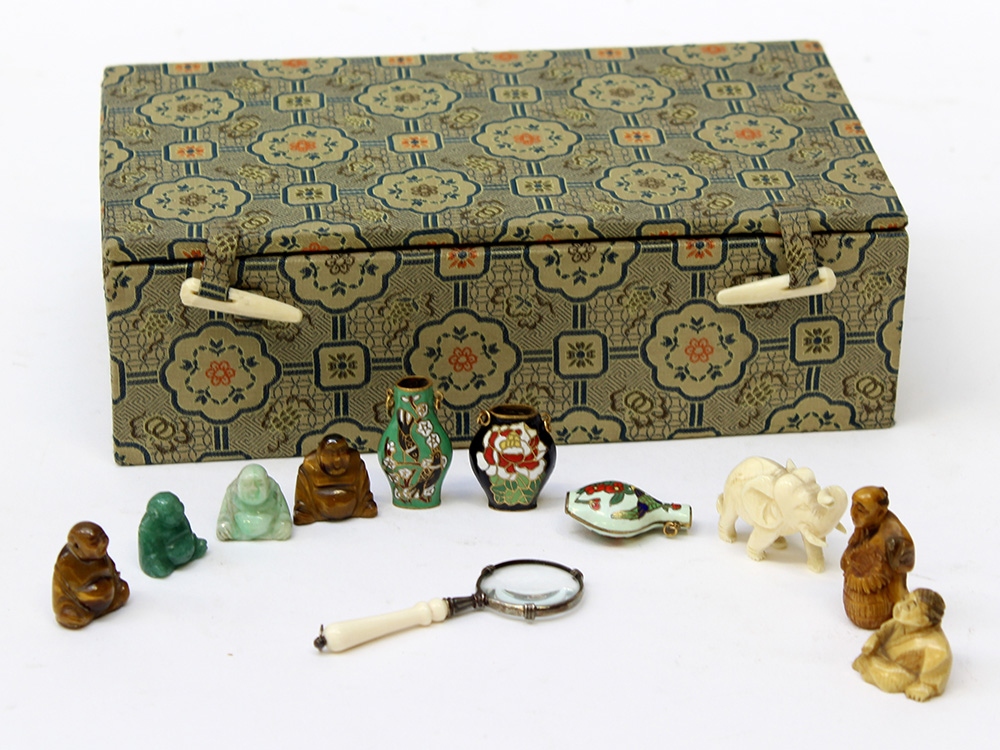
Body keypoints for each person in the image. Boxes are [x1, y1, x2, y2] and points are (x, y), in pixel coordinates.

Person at [853, 588, 952, 701]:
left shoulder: (937, 646)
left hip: (904, 672)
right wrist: (875, 640)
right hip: (883, 657)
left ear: (923, 620)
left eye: (909, 607)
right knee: (870, 659)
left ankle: (869, 665)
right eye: (904, 599)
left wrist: (926, 686)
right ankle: (868, 663)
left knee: (888, 677)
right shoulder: (900, 623)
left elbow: (938, 666)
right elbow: (882, 632)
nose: (901, 606)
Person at [841, 486, 914, 628]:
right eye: (853, 505)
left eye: (860, 509)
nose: (852, 513)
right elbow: (845, 560)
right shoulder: (867, 524)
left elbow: (906, 563)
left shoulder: (892, 536)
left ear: (880, 513)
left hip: (884, 599)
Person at [53, 521, 130, 628]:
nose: (102, 543)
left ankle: (103, 609)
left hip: (108, 599)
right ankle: (86, 613)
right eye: (94, 542)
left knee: (123, 589)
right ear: (76, 546)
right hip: (77, 604)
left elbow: (111, 571)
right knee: (69, 614)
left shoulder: (100, 554)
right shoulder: (67, 561)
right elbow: (78, 587)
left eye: (103, 537)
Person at [294, 434, 377, 523]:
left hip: (355, 508)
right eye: (330, 453)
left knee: (369, 509)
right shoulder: (308, 468)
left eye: (342, 452)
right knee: (302, 515)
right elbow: (302, 500)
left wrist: (365, 503)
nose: (337, 458)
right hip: (317, 511)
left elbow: (364, 494)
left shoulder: (356, 464)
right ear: (320, 453)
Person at [217, 464, 292, 541]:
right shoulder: (232, 492)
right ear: (237, 487)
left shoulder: (274, 490)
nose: (253, 489)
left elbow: (283, 514)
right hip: (239, 528)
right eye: (246, 485)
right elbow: (224, 516)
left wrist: (285, 525)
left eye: (260, 484)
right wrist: (224, 527)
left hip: (269, 526)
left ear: (268, 486)